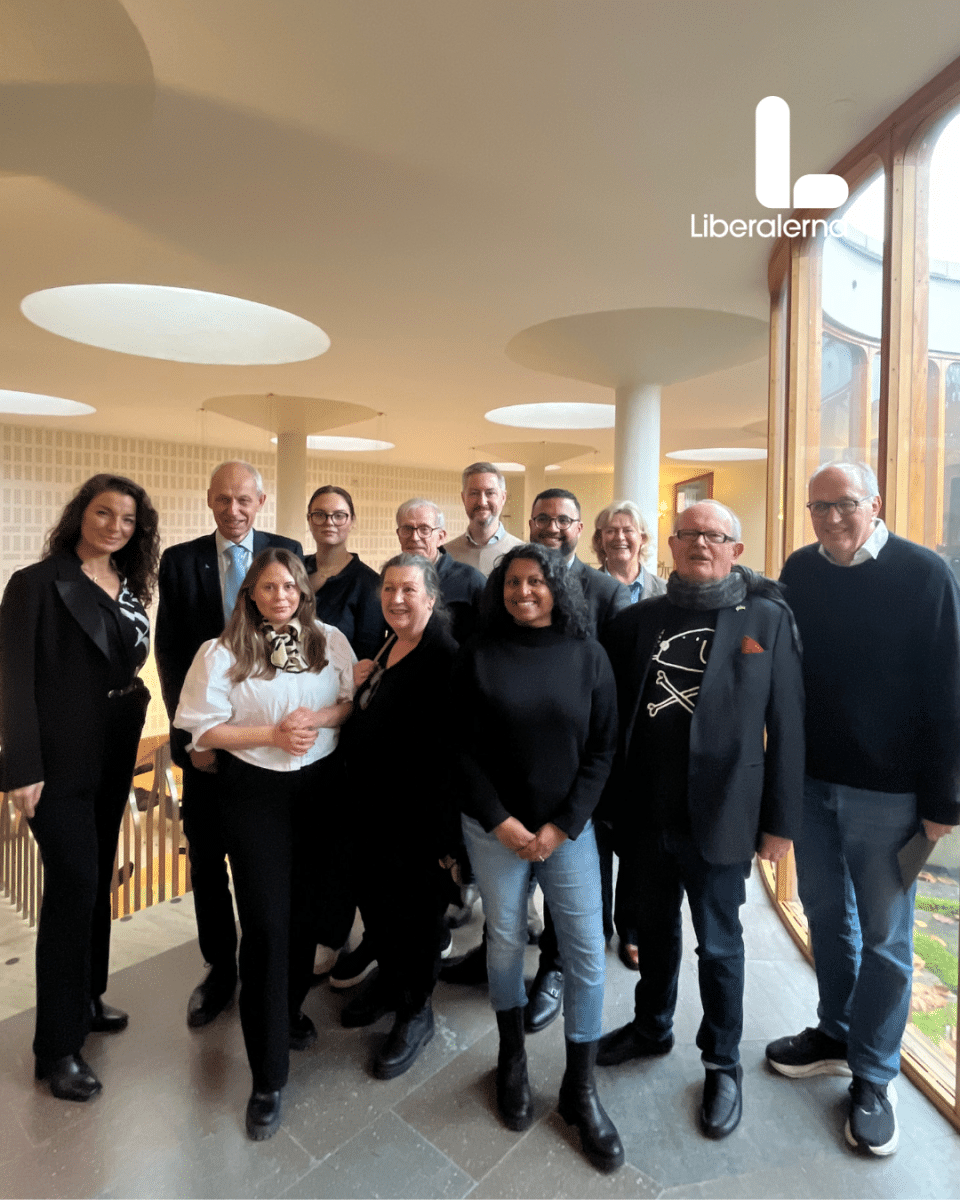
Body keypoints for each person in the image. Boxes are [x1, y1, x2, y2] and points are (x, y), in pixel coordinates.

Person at [766, 461, 960, 1157]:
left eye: (843, 504)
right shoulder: (800, 569)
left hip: (890, 794)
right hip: (813, 785)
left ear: (874, 503)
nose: (830, 518)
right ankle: (836, 1032)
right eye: (817, 506)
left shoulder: (925, 575)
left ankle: (875, 1076)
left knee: (886, 938)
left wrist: (943, 801)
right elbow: (782, 664)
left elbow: (950, 689)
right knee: (826, 916)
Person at [597, 500, 804, 1142]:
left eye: (714, 536)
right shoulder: (638, 621)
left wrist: (780, 823)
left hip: (722, 816)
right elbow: (610, 717)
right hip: (646, 812)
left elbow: (788, 726)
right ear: (671, 545)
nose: (699, 544)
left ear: (735, 549)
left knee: (718, 945)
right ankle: (652, 1027)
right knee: (654, 932)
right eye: (687, 534)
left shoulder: (766, 619)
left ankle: (721, 1063)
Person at [453, 542, 624, 1173]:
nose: (523, 592)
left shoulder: (588, 655)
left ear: (557, 588)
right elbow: (459, 750)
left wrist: (561, 827)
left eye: (536, 581)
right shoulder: (477, 654)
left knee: (585, 950)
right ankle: (511, 1058)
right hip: (492, 827)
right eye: (512, 582)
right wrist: (500, 821)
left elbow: (603, 749)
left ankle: (580, 1087)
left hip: (567, 831)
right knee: (503, 940)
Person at [175, 548, 355, 1140]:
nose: (281, 597)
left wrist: (315, 722)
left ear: (304, 592)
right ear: (251, 593)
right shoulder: (222, 651)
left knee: (305, 918)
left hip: (320, 789)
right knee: (267, 925)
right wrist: (272, 734)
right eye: (270, 587)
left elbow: (347, 704)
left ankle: (288, 1009)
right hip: (255, 793)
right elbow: (204, 729)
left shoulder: (328, 640)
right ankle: (267, 1076)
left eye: (291, 587)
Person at [0, 474, 158, 1101]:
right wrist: (22, 767)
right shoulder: (35, 584)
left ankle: (88, 998)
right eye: (104, 513)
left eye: (128, 520)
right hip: (58, 761)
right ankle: (57, 1048)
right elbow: (14, 680)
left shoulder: (128, 584)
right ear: (80, 515)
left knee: (96, 880)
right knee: (75, 886)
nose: (116, 527)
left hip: (115, 749)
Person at [155, 461, 302, 1030]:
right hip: (208, 744)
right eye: (222, 499)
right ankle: (220, 968)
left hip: (268, 750)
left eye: (243, 499)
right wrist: (193, 735)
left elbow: (299, 633)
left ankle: (273, 971)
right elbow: (170, 652)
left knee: (266, 864)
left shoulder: (286, 551)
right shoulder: (180, 560)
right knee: (207, 857)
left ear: (260, 501)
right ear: (209, 500)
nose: (233, 510)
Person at [336, 553, 459, 1079]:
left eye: (409, 589)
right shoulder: (390, 643)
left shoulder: (444, 655)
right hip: (371, 813)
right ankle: (389, 981)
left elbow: (451, 753)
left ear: (431, 597)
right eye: (389, 589)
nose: (397, 598)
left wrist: (445, 838)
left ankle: (415, 1010)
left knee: (416, 919)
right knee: (379, 908)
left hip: (417, 822)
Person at [304, 484, 386, 660]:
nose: (329, 522)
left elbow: (368, 655)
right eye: (319, 514)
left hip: (342, 676)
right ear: (309, 520)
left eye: (339, 515)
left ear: (352, 521)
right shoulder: (293, 568)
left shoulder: (370, 584)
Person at [395, 498, 484, 645]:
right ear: (399, 535)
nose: (415, 537)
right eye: (407, 529)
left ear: (441, 537)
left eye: (424, 529)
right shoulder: (392, 579)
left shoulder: (470, 581)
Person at [445, 462, 523, 576]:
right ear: (463, 498)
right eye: (474, 493)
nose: (482, 502)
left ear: (503, 497)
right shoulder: (446, 555)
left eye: (490, 493)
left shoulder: (523, 553)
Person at [592, 499, 666, 603]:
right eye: (610, 531)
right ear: (600, 540)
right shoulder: (582, 590)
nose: (620, 537)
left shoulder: (666, 592)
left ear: (642, 538)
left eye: (628, 530)